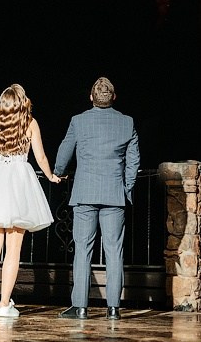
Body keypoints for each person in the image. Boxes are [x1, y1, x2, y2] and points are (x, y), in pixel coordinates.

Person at [0, 83, 61, 319]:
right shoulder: (30, 123)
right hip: (18, 184)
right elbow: (41, 156)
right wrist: (50, 176)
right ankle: (5, 304)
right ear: (20, 102)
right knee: (12, 250)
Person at [53, 76, 140, 320]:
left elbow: (64, 151)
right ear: (113, 97)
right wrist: (126, 188)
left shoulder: (79, 121)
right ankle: (113, 309)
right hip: (114, 194)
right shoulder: (127, 123)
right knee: (114, 252)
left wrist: (58, 172)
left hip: (85, 193)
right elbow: (133, 161)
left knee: (82, 250)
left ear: (91, 97)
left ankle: (80, 307)